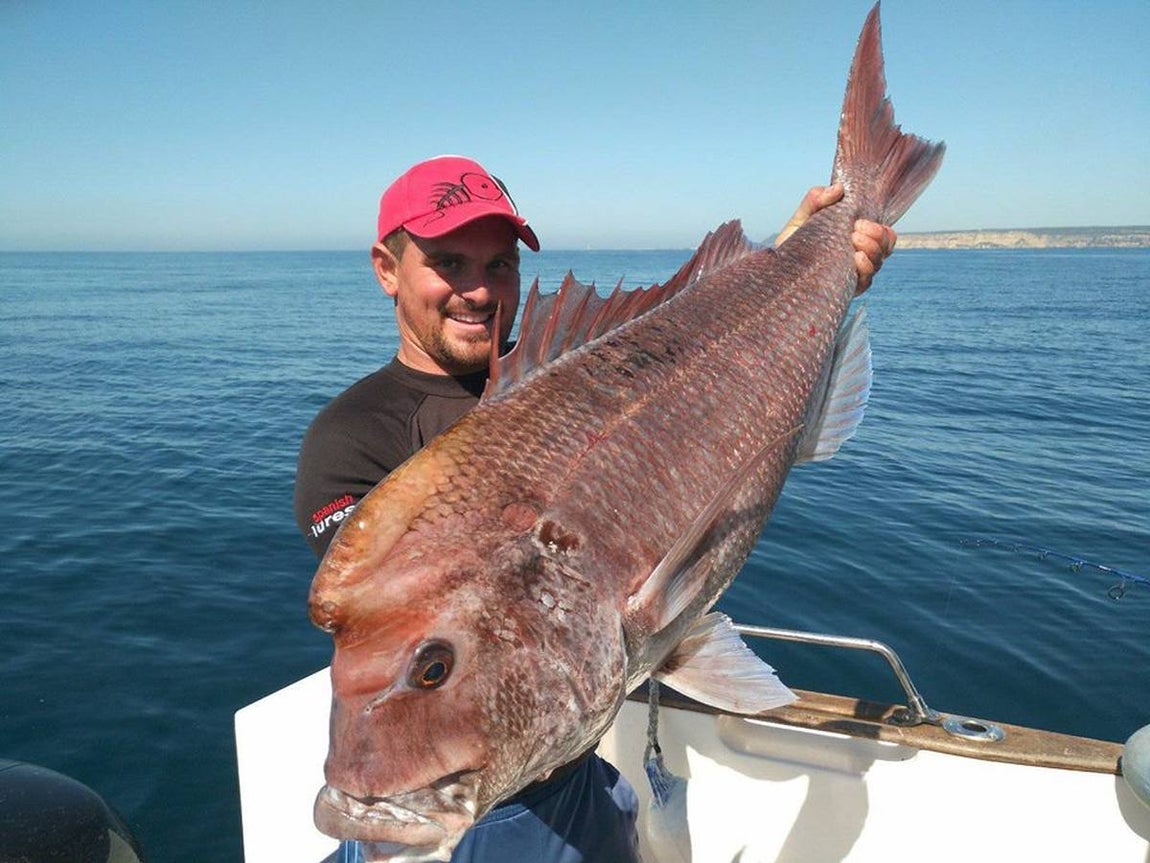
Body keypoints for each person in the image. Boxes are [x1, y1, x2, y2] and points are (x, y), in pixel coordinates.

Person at [294, 154, 896, 862]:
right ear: (387, 269)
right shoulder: (354, 436)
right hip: (486, 809)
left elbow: (694, 335)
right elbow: (404, 628)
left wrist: (808, 257)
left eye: (500, 266)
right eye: (449, 262)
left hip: (572, 781)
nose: (479, 290)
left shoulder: (576, 368)